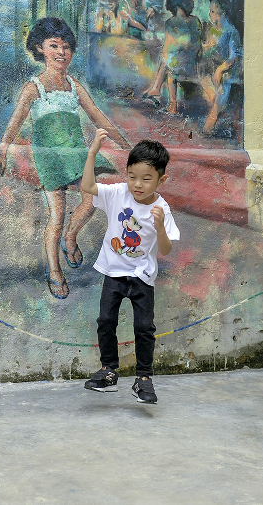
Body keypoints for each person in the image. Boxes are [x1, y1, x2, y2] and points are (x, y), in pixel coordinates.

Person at [0, 17, 131, 299]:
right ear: (40, 49)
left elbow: (98, 117)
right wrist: (2, 152)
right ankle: (54, 269)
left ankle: (70, 236)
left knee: (91, 202)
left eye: (66, 47)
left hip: (77, 155)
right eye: (54, 46)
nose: (61, 52)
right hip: (51, 159)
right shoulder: (34, 88)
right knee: (56, 215)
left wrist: (127, 145)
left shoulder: (74, 86)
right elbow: (15, 123)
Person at [81, 132, 179, 404]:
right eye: (132, 176)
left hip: (142, 277)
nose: (137, 184)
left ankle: (143, 378)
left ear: (162, 180)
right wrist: (92, 153)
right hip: (113, 272)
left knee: (144, 327)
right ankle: (109, 371)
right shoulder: (117, 193)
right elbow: (88, 186)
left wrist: (159, 227)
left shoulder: (162, 208)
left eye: (147, 179)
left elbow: (166, 249)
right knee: (106, 321)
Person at [142, 0, 202, 114]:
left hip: (184, 64)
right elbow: (192, 43)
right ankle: (156, 89)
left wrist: (175, 47)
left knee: (167, 61)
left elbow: (173, 46)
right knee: (167, 58)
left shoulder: (175, 22)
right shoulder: (193, 21)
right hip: (187, 61)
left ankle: (169, 102)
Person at [200, 0, 243, 135]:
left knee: (223, 81)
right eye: (210, 11)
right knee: (203, 75)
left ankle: (211, 120)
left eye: (213, 11)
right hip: (217, 66)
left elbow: (233, 57)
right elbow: (209, 53)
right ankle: (218, 114)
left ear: (222, 11)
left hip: (230, 68)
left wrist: (219, 69)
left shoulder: (231, 31)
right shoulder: (213, 29)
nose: (210, 14)